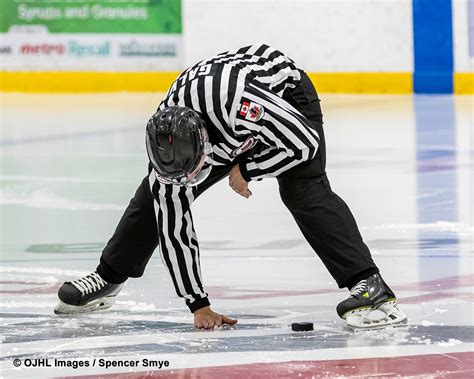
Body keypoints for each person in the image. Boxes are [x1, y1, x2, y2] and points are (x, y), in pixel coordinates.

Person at [55, 44, 407, 329]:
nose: (192, 180)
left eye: (197, 170)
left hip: (285, 99)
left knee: (303, 188)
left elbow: (304, 144)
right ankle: (108, 277)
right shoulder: (168, 140)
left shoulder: (241, 106)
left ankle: (370, 285)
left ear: (207, 144)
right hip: (223, 122)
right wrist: (198, 303)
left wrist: (249, 168)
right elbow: (174, 227)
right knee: (154, 199)